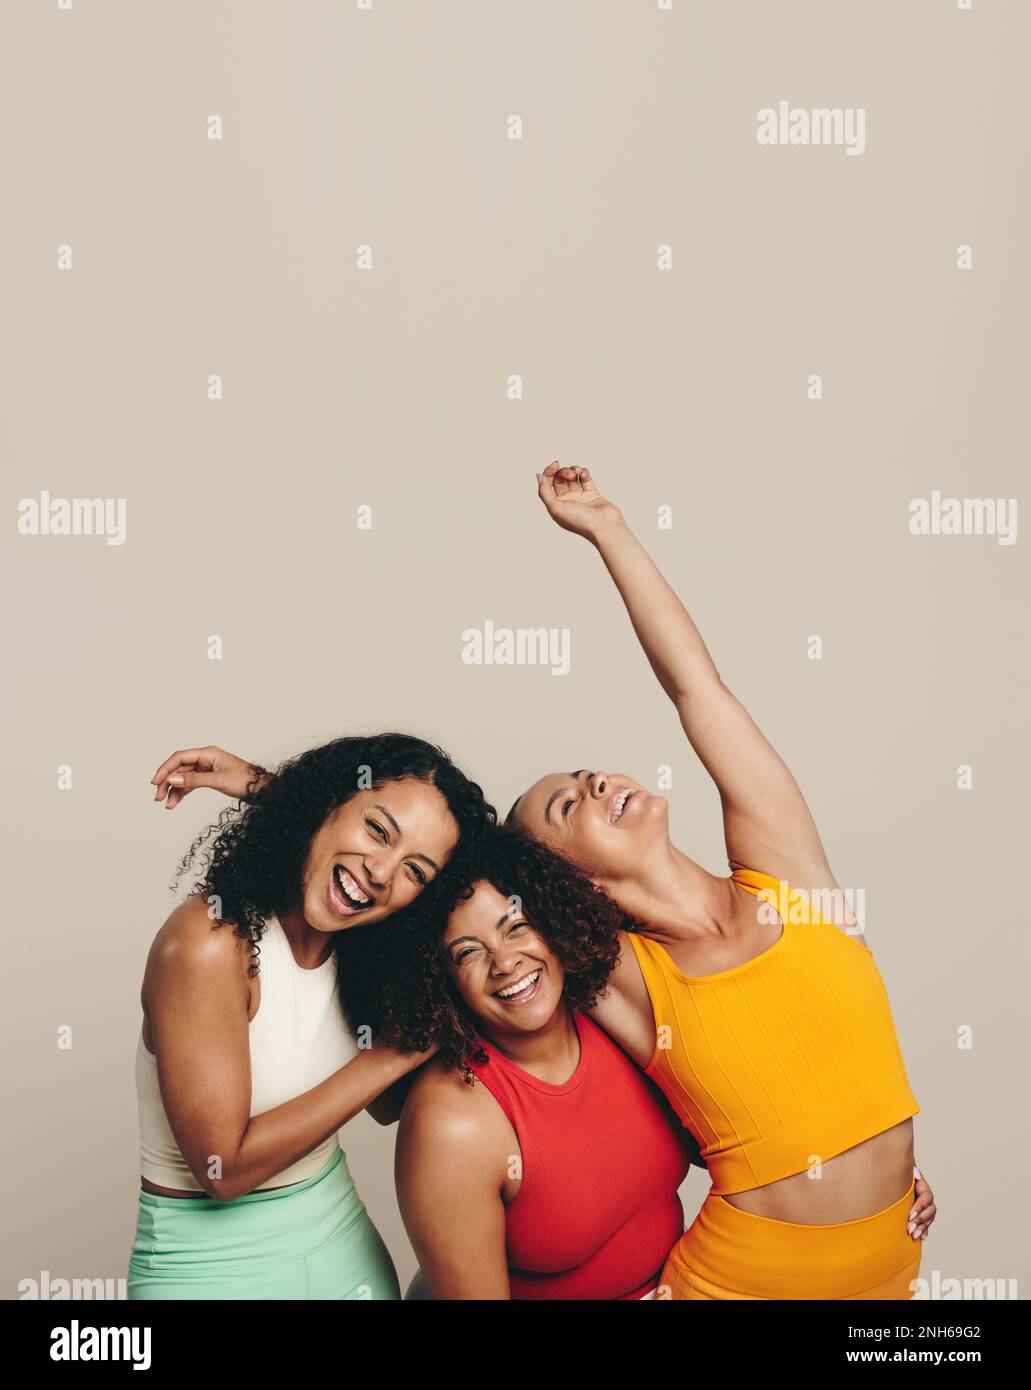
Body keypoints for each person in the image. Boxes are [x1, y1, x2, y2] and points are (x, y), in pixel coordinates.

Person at [503, 461, 935, 1299]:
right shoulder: (614, 975)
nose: (593, 783)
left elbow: (693, 685)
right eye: (566, 806)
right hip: (739, 1284)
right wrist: (280, 795)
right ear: (568, 882)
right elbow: (437, 898)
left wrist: (606, 526)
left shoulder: (787, 875)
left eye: (587, 772)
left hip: (890, 1270)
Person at [128, 731, 493, 1300]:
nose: (381, 872)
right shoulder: (208, 944)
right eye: (377, 830)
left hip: (345, 1253)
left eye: (416, 872)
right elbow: (224, 1167)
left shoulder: (358, 948)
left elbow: (389, 1109)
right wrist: (391, 1055)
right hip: (206, 1271)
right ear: (325, 805)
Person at [390, 825, 697, 1299]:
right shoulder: (452, 1121)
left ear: (551, 922)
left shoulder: (615, 1017)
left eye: (516, 927)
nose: (506, 963)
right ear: (440, 982)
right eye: (468, 952)